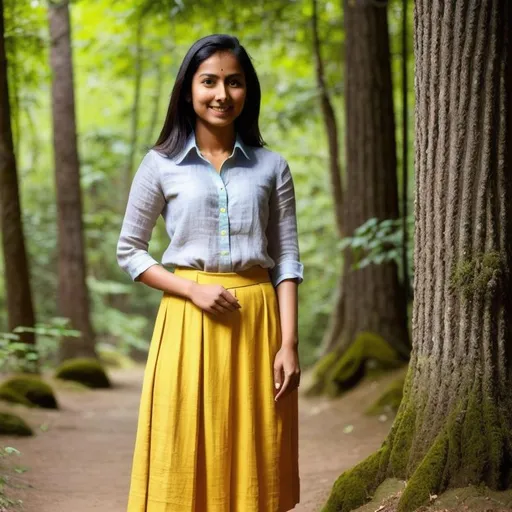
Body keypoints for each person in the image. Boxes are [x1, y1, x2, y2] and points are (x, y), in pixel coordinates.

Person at [117, 33, 304, 512]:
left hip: (258, 323)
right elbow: (131, 251)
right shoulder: (160, 164)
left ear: (248, 91)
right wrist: (191, 290)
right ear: (188, 90)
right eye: (209, 81)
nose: (222, 94)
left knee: (257, 443)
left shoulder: (272, 166)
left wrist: (289, 343)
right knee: (185, 442)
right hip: (187, 320)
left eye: (234, 82)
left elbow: (286, 259)